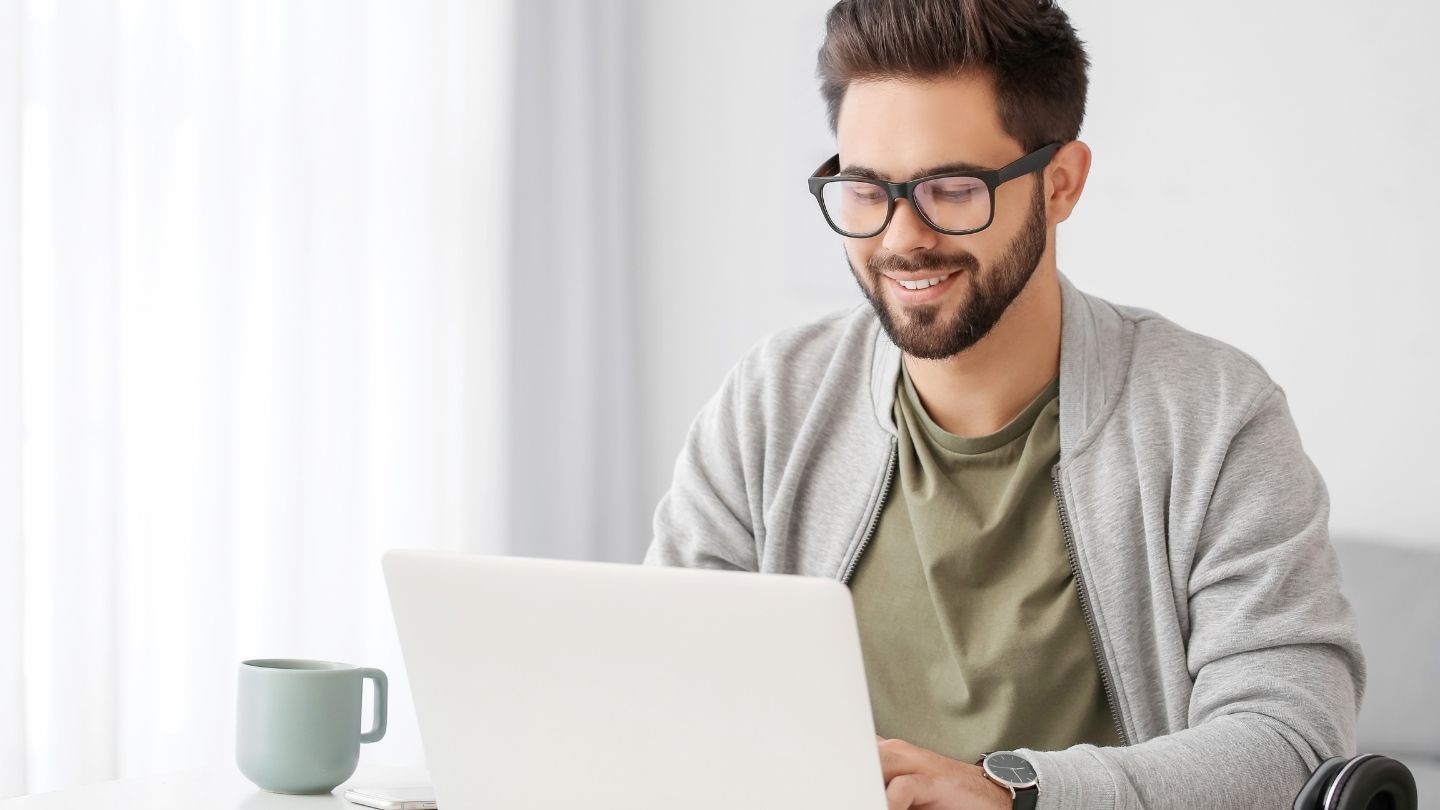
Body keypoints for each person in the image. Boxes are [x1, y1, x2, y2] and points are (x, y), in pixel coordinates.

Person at [642, 0, 1365, 807]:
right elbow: (669, 682)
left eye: (951, 188)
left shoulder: (1215, 417)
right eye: (865, 189)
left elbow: (1291, 744)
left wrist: (1015, 793)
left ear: (1060, 184)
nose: (899, 239)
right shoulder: (774, 401)